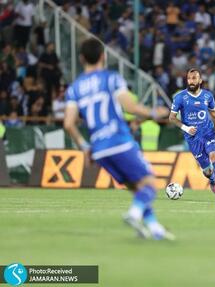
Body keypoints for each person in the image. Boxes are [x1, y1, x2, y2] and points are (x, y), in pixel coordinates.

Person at [63, 38, 174, 240]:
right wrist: (154, 112)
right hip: (119, 140)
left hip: (98, 148)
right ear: (103, 56)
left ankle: (155, 229)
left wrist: (85, 147)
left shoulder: (74, 88)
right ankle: (133, 214)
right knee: (149, 184)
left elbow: (69, 124)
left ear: (81, 58)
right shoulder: (111, 78)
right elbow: (130, 107)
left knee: (136, 188)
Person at [168, 68, 215, 203]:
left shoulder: (207, 96)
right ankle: (212, 180)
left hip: (208, 133)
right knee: (207, 170)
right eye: (189, 78)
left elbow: (214, 112)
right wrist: (186, 128)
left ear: (200, 80)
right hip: (193, 138)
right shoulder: (180, 97)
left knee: (214, 155)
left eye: (194, 78)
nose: (191, 81)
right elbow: (171, 118)